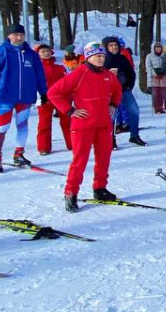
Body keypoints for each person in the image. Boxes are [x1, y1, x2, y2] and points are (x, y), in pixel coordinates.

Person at [47, 41, 121, 212]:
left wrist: (113, 104)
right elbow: (53, 93)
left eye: (103, 56)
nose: (101, 59)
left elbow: (117, 91)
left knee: (104, 158)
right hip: (83, 125)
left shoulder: (108, 75)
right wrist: (70, 110)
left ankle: (99, 188)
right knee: (80, 160)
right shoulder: (79, 73)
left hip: (103, 124)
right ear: (88, 57)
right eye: (97, 56)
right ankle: (71, 192)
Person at [0, 22, 47, 172]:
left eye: (22, 35)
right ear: (9, 36)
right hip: (5, 96)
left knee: (22, 125)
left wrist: (43, 92)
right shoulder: (0, 51)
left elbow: (39, 75)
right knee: (3, 125)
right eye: (16, 34)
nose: (19, 37)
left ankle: (19, 154)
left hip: (25, 96)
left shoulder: (31, 54)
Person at [103, 35, 146, 147]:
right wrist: (109, 74)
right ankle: (110, 139)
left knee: (134, 111)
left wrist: (129, 86)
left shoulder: (122, 58)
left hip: (125, 90)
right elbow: (98, 77)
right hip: (110, 93)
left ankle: (134, 136)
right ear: (106, 47)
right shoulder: (103, 60)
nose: (114, 47)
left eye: (115, 45)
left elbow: (131, 73)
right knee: (112, 116)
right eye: (111, 45)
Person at [35, 43, 72, 155]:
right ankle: (44, 147)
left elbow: (69, 80)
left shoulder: (60, 65)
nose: (46, 53)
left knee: (67, 121)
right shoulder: (36, 67)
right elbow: (32, 83)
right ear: (38, 54)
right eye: (42, 52)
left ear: (51, 52)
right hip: (44, 98)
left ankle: (72, 143)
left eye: (47, 51)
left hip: (62, 97)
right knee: (44, 123)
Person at [147, 41, 166, 113]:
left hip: (163, 76)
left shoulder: (164, 56)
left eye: (159, 47)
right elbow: (149, 68)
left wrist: (164, 71)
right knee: (156, 93)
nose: (158, 49)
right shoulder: (149, 56)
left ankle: (164, 105)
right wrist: (154, 75)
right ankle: (157, 108)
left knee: (164, 92)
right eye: (156, 47)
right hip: (154, 77)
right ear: (153, 48)